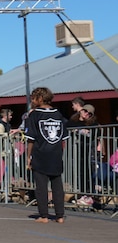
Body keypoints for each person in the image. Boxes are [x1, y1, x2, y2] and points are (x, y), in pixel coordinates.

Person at [24, 86, 69, 223]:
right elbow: (63, 138)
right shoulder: (58, 114)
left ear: (40, 99)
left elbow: (31, 138)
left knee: (41, 186)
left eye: (33, 98)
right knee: (57, 185)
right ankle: (60, 215)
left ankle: (44, 215)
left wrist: (28, 156)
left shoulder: (34, 115)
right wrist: (60, 152)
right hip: (55, 153)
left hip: (40, 153)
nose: (31, 100)